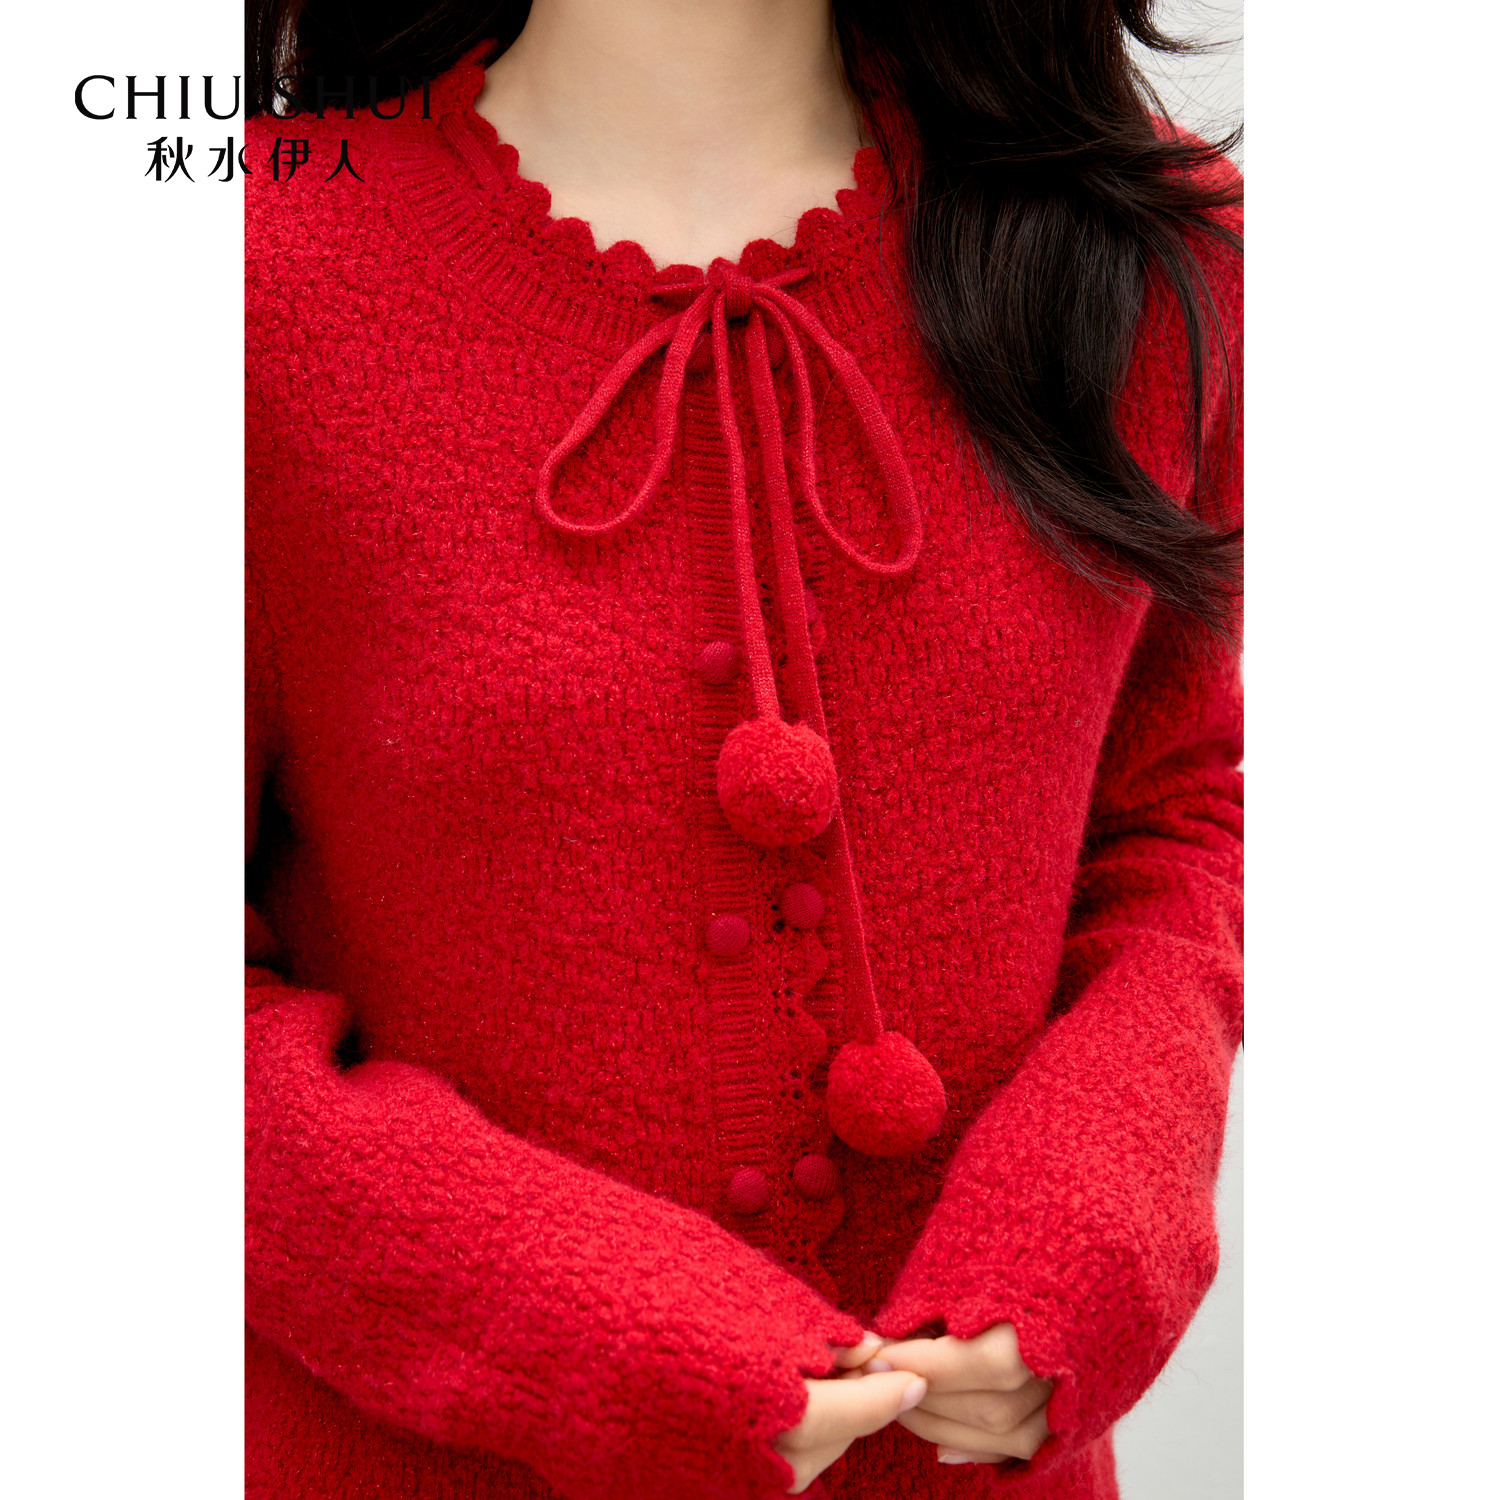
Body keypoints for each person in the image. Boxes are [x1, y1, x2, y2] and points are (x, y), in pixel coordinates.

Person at [243, 3, 1243, 1497]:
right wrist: (594, 1326)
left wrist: (1087, 1230)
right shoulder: (248, 280)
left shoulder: (1147, 248)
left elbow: (1177, 812)